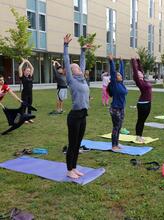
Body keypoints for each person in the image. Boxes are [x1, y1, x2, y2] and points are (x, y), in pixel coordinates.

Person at [63, 34, 90, 179]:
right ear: (72, 71)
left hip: (83, 115)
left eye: (79, 67)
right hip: (74, 116)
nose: (79, 68)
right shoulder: (72, 81)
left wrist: (83, 51)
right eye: (76, 67)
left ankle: (74, 167)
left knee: (78, 144)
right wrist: (66, 46)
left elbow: (83, 61)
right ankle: (69, 170)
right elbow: (67, 62)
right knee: (72, 144)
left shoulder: (83, 79)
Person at [108, 56, 128, 150]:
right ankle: (113, 145)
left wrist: (121, 62)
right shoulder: (114, 83)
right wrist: (111, 61)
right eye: (119, 75)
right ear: (115, 78)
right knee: (116, 127)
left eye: (121, 75)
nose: (121, 76)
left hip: (121, 108)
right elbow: (113, 72)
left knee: (119, 126)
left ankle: (117, 143)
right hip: (115, 108)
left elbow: (121, 71)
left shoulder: (121, 83)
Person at [131, 58, 152, 143]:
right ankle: (138, 136)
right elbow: (136, 71)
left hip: (148, 103)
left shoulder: (144, 80)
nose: (140, 73)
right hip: (142, 104)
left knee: (143, 121)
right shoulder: (139, 82)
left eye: (141, 73)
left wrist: (139, 62)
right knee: (140, 120)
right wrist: (133, 62)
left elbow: (140, 70)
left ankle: (140, 135)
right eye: (139, 73)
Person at [18, 58, 34, 123]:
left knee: (29, 105)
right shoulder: (22, 77)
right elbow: (19, 68)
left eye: (29, 71)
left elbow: (32, 68)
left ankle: (29, 118)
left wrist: (28, 61)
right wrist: (24, 62)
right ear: (24, 71)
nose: (28, 72)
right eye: (27, 71)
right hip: (25, 93)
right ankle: (23, 118)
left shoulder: (30, 76)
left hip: (30, 93)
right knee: (24, 106)